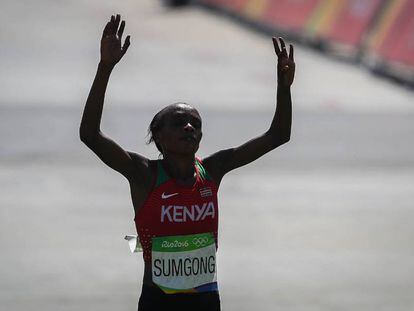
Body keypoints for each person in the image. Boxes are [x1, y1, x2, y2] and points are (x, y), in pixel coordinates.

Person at [80, 14, 295, 311]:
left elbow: (278, 135)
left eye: (195, 123)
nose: (189, 128)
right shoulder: (144, 174)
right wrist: (105, 67)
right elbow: (90, 135)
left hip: (206, 301)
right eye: (179, 122)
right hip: (158, 302)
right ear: (159, 136)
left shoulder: (213, 170)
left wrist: (284, 87)